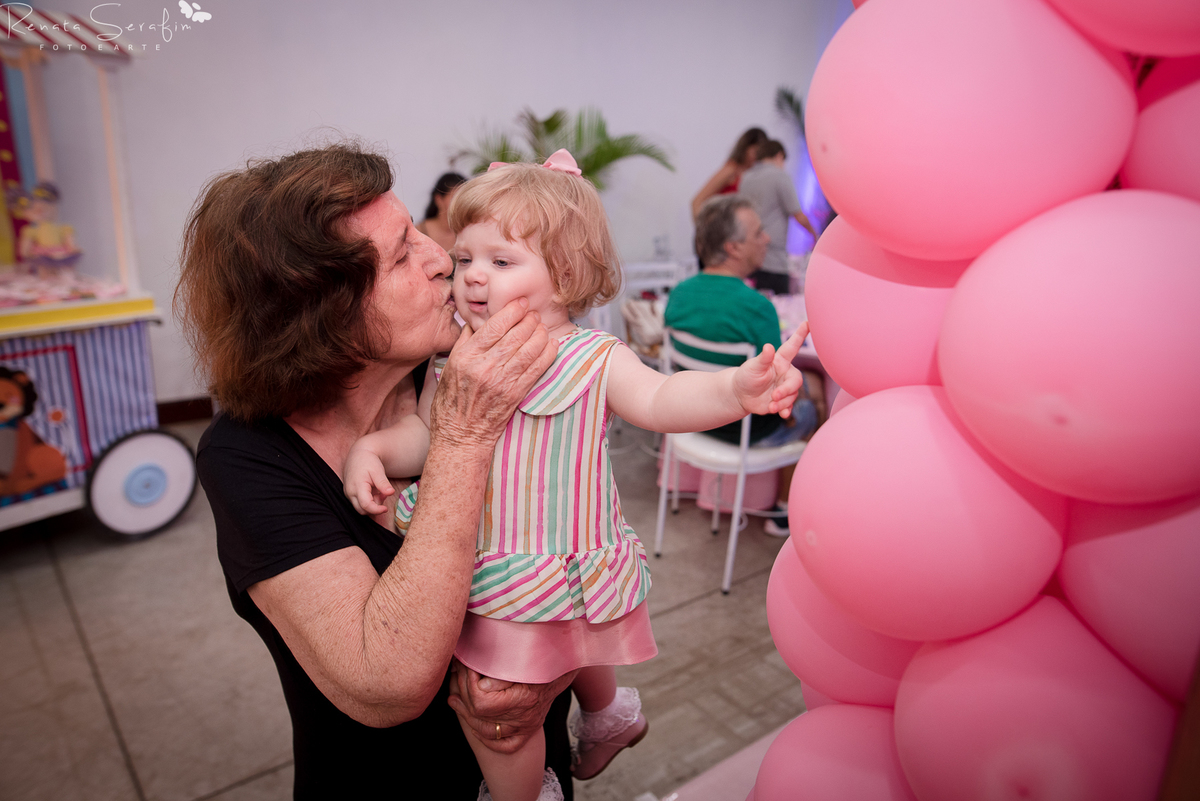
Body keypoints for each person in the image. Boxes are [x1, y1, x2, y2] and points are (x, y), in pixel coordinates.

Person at [341, 150, 809, 801]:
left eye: (502, 262)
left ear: (562, 276)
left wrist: (735, 387)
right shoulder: (457, 358)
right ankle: (607, 714)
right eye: (466, 257)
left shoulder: (593, 357)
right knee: (554, 661)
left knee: (500, 709)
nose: (473, 277)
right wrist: (372, 451)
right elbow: (426, 434)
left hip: (555, 558)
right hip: (497, 555)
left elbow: (662, 401)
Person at [175, 142, 578, 800]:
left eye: (419, 232)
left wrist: (554, 679)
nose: (441, 257)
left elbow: (578, 550)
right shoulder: (248, 456)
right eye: (401, 253)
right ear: (326, 316)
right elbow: (386, 680)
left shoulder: (450, 364)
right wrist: (465, 433)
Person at [664, 195, 819, 535]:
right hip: (743, 429)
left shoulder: (679, 294)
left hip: (691, 419)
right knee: (818, 400)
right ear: (734, 247)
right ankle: (786, 510)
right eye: (759, 233)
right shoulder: (755, 307)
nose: (767, 238)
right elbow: (778, 384)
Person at [737, 140, 816, 295]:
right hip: (774, 261)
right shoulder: (779, 176)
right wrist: (815, 235)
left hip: (750, 260)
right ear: (779, 155)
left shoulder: (746, 178)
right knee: (779, 312)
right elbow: (798, 214)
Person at [689, 127, 769, 220]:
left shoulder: (753, 176)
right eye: (755, 151)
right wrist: (703, 231)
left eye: (761, 154)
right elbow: (697, 202)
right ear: (745, 147)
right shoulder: (731, 170)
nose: (757, 157)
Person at [417, 171, 467, 253]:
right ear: (439, 199)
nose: (460, 203)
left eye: (464, 198)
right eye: (455, 197)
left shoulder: (468, 232)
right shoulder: (420, 232)